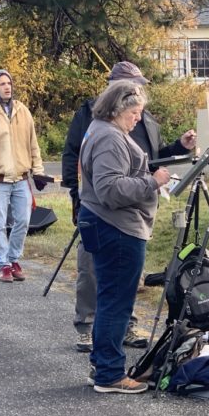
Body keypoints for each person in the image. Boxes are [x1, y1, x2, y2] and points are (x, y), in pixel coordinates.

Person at [62, 61, 197, 352]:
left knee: (124, 278)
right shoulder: (92, 115)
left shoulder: (144, 117)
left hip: (132, 210)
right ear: (115, 87)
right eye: (132, 85)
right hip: (101, 208)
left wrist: (179, 147)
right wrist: (76, 195)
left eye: (140, 85)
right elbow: (73, 155)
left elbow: (154, 158)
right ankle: (87, 327)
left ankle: (125, 328)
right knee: (92, 270)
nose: (138, 92)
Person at [78, 80, 171, 393]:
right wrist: (152, 183)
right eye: (134, 112)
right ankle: (109, 373)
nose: (138, 118)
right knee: (117, 301)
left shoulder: (102, 130)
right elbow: (110, 189)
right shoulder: (109, 139)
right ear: (118, 109)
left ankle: (103, 366)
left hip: (107, 224)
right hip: (115, 227)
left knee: (110, 298)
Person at [0, 69, 47, 283]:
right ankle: (3, 264)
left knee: (23, 221)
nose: (7, 87)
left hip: (21, 178)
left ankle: (14, 259)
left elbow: (33, 145)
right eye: (2, 84)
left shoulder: (23, 111)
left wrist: (38, 172)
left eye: (9, 83)